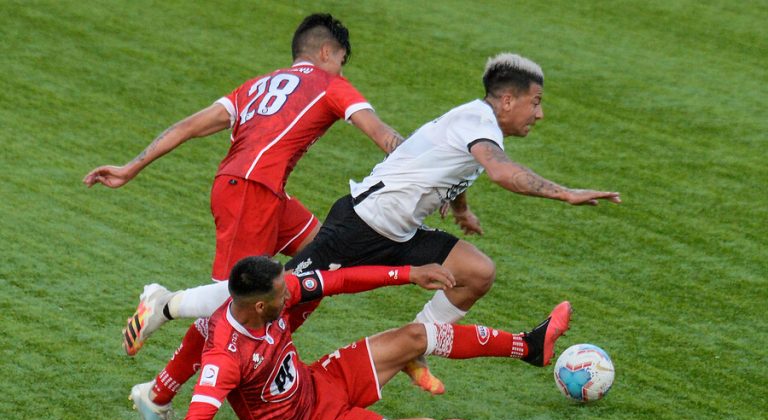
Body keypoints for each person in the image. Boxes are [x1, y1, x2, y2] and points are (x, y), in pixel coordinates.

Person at [126, 52, 620, 399]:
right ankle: (165, 312)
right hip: (359, 228)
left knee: (476, 273)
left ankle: (413, 348)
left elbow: (458, 166)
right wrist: (566, 193)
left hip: (400, 233)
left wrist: (463, 208)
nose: (540, 112)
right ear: (508, 101)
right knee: (267, 307)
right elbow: (500, 170)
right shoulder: (478, 123)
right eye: (535, 102)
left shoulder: (476, 124)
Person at [82, 12, 403, 354]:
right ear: (326, 52)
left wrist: (131, 167)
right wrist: (424, 170)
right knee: (232, 301)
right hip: (251, 190)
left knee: (325, 252)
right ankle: (163, 306)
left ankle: (269, 347)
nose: (343, 70)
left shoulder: (255, 86)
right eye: (341, 60)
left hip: (257, 190)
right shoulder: (332, 86)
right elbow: (384, 136)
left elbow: (188, 126)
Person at [157, 256, 571, 420]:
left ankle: (528, 347)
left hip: (322, 381)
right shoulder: (225, 354)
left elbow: (341, 280)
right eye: (284, 293)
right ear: (261, 306)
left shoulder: (272, 299)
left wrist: (408, 273)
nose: (292, 293)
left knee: (414, 335)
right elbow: (197, 417)